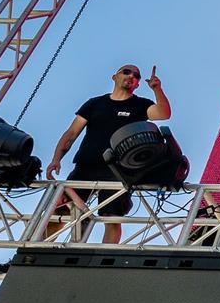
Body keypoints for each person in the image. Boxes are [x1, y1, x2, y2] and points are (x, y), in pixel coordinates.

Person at [45, 65, 171, 246]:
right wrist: (56, 159)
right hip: (85, 167)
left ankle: (103, 256)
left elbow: (164, 114)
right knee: (62, 212)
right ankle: (36, 250)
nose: (131, 76)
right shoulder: (95, 103)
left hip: (117, 169)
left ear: (137, 84)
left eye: (136, 76)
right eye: (126, 72)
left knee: (111, 216)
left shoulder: (140, 105)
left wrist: (157, 89)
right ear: (114, 76)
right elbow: (71, 133)